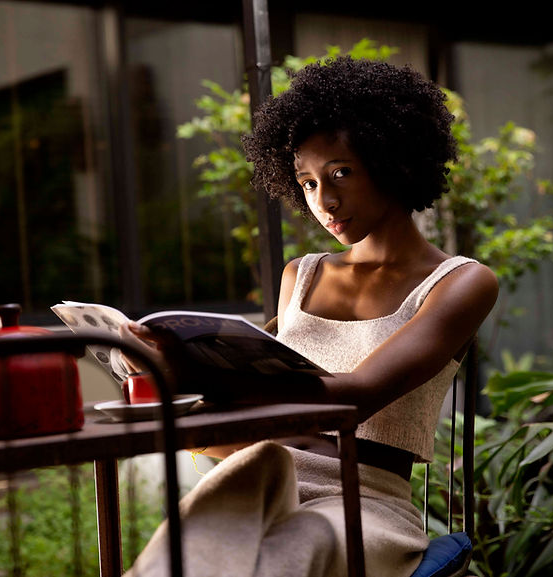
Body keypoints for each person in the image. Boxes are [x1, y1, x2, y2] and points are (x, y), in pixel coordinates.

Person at [118, 56, 499, 577]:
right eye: (308, 182)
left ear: (393, 161)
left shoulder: (461, 282)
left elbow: (355, 396)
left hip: (364, 500)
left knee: (282, 559)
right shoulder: (302, 275)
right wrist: (164, 369)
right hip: (260, 475)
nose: (326, 200)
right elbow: (252, 400)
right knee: (177, 558)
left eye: (341, 173)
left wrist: (199, 377)